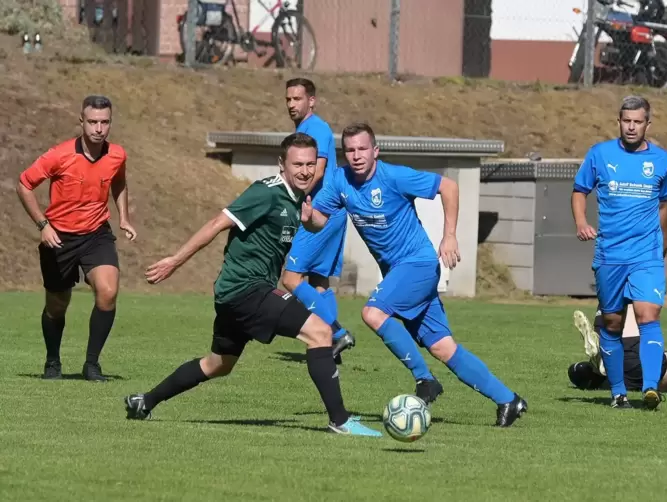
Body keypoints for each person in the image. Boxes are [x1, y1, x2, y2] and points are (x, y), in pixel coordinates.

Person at [123, 133, 381, 437]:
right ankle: (340, 420)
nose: (305, 171)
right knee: (321, 332)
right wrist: (175, 261)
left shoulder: (296, 197)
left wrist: (310, 219)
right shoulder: (266, 193)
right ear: (281, 165)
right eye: (298, 164)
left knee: (218, 364)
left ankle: (145, 401)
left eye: (311, 164)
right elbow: (217, 223)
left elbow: (313, 222)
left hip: (233, 294)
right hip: (246, 288)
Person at [300, 122, 527, 427]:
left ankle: (425, 380)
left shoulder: (393, 176)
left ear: (375, 151)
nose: (356, 155)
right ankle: (508, 400)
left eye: (362, 149)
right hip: (399, 272)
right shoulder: (340, 180)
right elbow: (319, 221)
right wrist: (308, 218)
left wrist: (449, 236)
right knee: (443, 347)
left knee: (372, 312)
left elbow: (449, 186)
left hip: (418, 264)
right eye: (350, 150)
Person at [16, 95, 137, 382]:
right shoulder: (59, 155)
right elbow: (24, 184)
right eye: (93, 122)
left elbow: (119, 181)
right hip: (58, 237)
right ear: (81, 122)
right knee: (57, 304)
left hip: (97, 234)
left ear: (110, 123)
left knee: (108, 292)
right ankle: (52, 361)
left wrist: (124, 217)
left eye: (104, 122)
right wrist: (43, 225)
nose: (98, 128)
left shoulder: (117, 155)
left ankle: (92, 365)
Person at [571, 95, 667, 410]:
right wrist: (581, 222)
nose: (631, 127)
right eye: (626, 121)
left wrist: (664, 242)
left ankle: (650, 387)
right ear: (619, 122)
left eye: (637, 121)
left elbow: (663, 204)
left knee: (648, 314)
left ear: (647, 124)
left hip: (646, 253)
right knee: (612, 323)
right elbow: (579, 191)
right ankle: (618, 393)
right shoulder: (599, 154)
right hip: (610, 254)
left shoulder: (661, 160)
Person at [280, 78, 354, 363]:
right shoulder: (305, 130)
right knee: (319, 282)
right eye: (288, 99)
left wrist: (294, 199)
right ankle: (330, 345)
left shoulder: (317, 128)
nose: (291, 104)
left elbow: (318, 170)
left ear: (312, 100)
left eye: (297, 99)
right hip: (329, 211)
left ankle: (337, 332)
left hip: (320, 211)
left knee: (291, 278)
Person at [568, 306, 667, 396]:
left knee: (628, 300)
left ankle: (603, 350)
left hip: (645, 367)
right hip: (633, 380)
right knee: (576, 371)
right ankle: (602, 359)